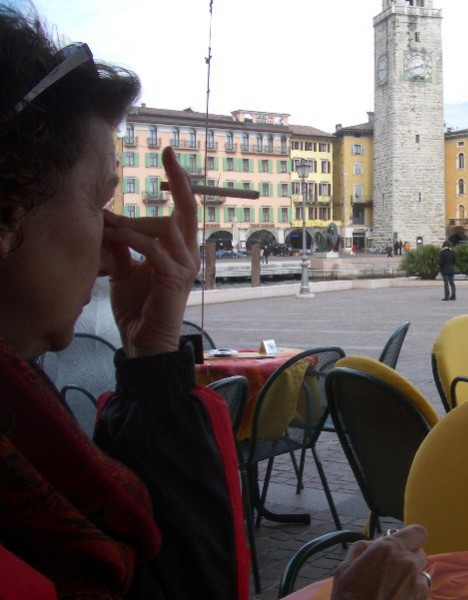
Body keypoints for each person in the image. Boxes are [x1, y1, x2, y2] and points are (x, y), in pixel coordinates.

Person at [0, 6, 429, 599]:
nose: (111, 249)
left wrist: (152, 361)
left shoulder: (20, 408)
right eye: (98, 204)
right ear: (8, 213)